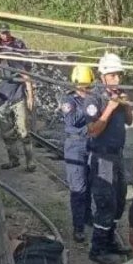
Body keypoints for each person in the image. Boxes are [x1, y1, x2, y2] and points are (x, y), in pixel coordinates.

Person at [85, 53, 133, 264]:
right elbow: (93, 131)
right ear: (103, 76)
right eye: (113, 75)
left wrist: (126, 106)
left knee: (119, 200)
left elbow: (130, 122)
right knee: (105, 202)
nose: (117, 79)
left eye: (119, 75)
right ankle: (98, 249)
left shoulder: (119, 95)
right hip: (102, 156)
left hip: (117, 154)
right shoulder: (94, 98)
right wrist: (110, 109)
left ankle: (110, 240)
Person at [0, 23, 35, 172]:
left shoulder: (16, 48)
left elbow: (25, 73)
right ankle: (13, 160)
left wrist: (30, 96)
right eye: (2, 33)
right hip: (2, 96)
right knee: (6, 132)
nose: (5, 35)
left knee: (23, 131)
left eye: (7, 32)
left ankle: (30, 162)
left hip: (17, 95)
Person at [60, 65, 96, 243]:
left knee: (90, 183)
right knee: (78, 188)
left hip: (92, 144)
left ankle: (88, 216)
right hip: (75, 144)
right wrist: (89, 109)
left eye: (88, 85)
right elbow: (71, 121)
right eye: (82, 85)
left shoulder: (94, 97)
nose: (85, 89)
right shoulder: (69, 100)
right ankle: (78, 226)